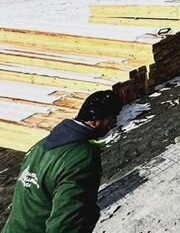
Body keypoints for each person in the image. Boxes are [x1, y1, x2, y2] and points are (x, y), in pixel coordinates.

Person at [3, 90, 123, 233]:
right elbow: (68, 219)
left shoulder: (42, 145)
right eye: (111, 118)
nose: (114, 123)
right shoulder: (81, 156)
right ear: (94, 120)